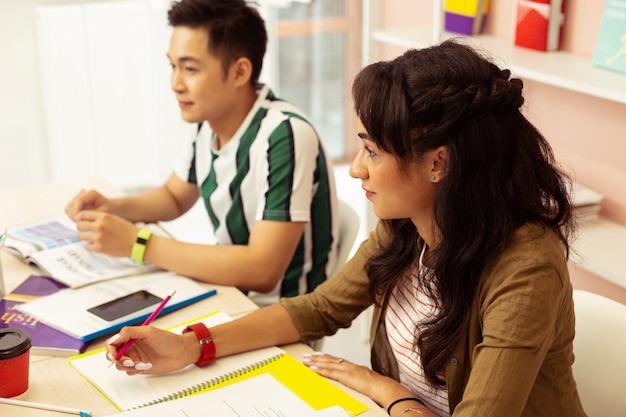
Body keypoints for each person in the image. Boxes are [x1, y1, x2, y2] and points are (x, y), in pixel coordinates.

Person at [104, 39, 586, 416]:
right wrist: (191, 345)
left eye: (373, 151)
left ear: (438, 162)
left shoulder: (526, 267)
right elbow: (318, 310)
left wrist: (385, 391)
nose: (356, 169)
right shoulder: (408, 226)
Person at [64, 0, 338, 306]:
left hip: (278, 317)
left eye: (190, 68)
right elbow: (174, 196)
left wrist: (137, 243)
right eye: (173, 66)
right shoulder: (208, 123)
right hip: (228, 293)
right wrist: (113, 206)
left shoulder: (285, 135)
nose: (175, 84)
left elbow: (262, 270)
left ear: (239, 72)